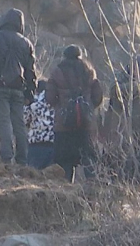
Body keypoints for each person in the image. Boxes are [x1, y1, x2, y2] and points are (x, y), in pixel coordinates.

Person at [0, 8, 38, 164]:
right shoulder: (26, 43)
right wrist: (30, 93)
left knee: (3, 121)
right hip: (19, 88)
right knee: (19, 123)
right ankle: (22, 159)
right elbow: (31, 71)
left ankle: (6, 158)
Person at [103, 54, 140, 184]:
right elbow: (114, 92)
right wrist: (135, 88)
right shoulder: (121, 76)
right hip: (121, 130)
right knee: (121, 163)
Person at [46, 45, 103, 182]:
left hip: (64, 124)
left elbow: (50, 98)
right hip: (86, 124)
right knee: (88, 158)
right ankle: (92, 187)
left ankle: (66, 189)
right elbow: (98, 96)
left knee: (65, 161)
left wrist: (60, 107)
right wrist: (88, 107)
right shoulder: (89, 71)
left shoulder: (57, 71)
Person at [23, 80, 55, 169]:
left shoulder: (33, 101)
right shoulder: (56, 100)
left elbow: (24, 120)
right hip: (54, 144)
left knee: (34, 177)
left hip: (36, 145)